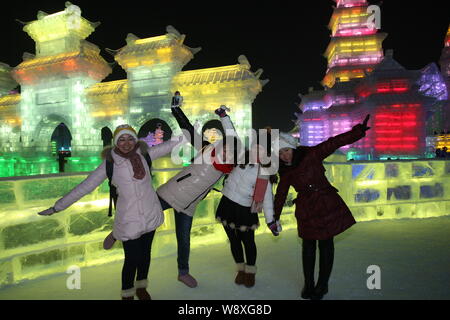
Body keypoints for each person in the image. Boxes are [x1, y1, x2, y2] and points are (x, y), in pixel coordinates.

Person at [103, 92, 239, 289]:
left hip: (189, 205)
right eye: (225, 147)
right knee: (137, 213)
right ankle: (117, 234)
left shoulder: (230, 170)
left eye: (231, 152)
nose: (227, 152)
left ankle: (183, 273)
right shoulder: (206, 148)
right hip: (170, 192)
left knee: (184, 241)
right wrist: (177, 110)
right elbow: (188, 130)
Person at [37, 124, 183, 300]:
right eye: (121, 139)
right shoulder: (110, 164)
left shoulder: (145, 155)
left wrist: (190, 130)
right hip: (129, 220)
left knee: (145, 255)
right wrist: (57, 207)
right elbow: (85, 186)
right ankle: (127, 293)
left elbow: (172, 143)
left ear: (135, 140)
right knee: (132, 260)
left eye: (130, 138)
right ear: (115, 142)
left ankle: (141, 287)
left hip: (151, 214)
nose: (126, 143)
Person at [273, 115, 371, 300]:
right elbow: (280, 195)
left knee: (326, 244)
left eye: (286, 150)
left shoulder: (311, 154)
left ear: (293, 148)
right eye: (280, 153)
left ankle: (322, 284)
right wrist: (274, 217)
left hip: (325, 202)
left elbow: (333, 143)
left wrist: (357, 132)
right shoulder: (285, 171)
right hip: (306, 209)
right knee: (308, 247)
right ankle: (308, 284)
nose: (284, 155)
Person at [216, 140, 281, 288]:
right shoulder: (240, 160)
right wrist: (224, 116)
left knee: (248, 242)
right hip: (227, 204)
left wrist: (271, 221)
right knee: (233, 240)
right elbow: (231, 135)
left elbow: (267, 200)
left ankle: (250, 271)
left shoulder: (265, 173)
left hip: (244, 211)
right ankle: (240, 269)